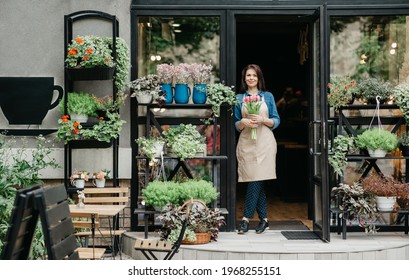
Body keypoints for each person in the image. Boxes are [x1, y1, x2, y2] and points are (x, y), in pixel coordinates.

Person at [234, 64, 280, 234]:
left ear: (259, 78)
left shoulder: (267, 96)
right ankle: (264, 219)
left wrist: (263, 120)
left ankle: (246, 219)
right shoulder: (239, 98)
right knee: (254, 179)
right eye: (248, 75)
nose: (251, 78)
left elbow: (276, 120)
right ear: (244, 78)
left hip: (265, 143)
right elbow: (236, 123)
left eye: (254, 75)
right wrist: (242, 123)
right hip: (246, 142)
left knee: (256, 179)